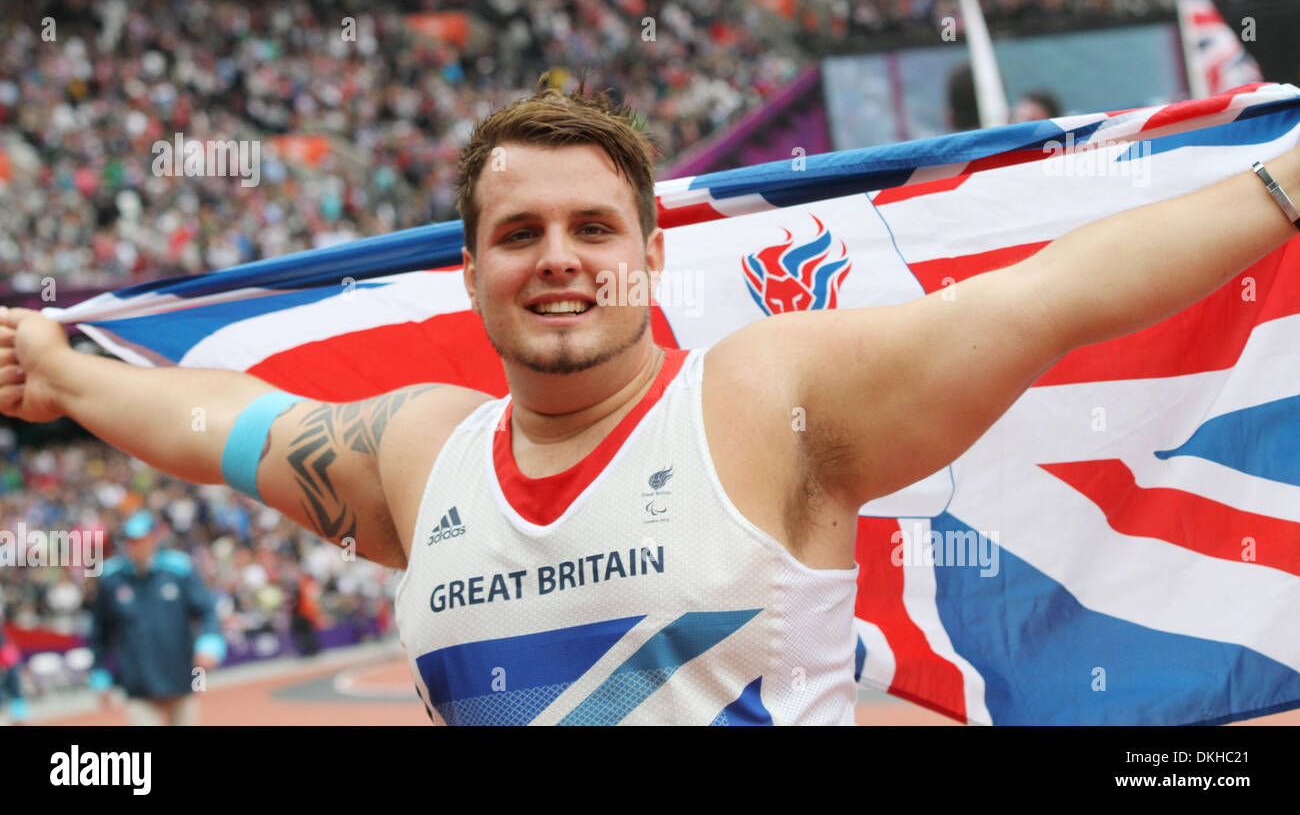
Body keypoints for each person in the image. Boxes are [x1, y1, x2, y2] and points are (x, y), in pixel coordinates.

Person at [2, 78, 1299, 724]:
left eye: (590, 226)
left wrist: (1283, 186)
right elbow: (215, 424)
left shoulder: (763, 398)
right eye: (519, 231)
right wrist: (64, 370)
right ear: (470, 268)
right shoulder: (417, 455)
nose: (557, 256)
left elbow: (1037, 303)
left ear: (649, 254)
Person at [87, 510, 226, 725]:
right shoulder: (112, 579)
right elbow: (100, 632)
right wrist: (100, 673)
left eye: (140, 540)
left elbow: (207, 611)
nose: (134, 547)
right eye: (130, 541)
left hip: (180, 679)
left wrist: (210, 644)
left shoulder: (179, 570)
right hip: (138, 685)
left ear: (153, 538)